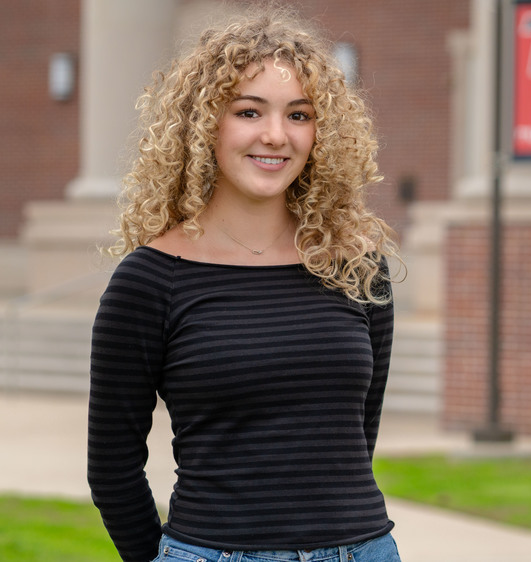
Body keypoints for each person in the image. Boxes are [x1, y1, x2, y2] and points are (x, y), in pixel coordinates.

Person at [87, 7, 403, 562]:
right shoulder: (149, 281)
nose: (276, 136)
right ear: (206, 122)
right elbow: (112, 469)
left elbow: (356, 440)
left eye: (299, 115)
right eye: (249, 111)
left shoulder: (356, 269)